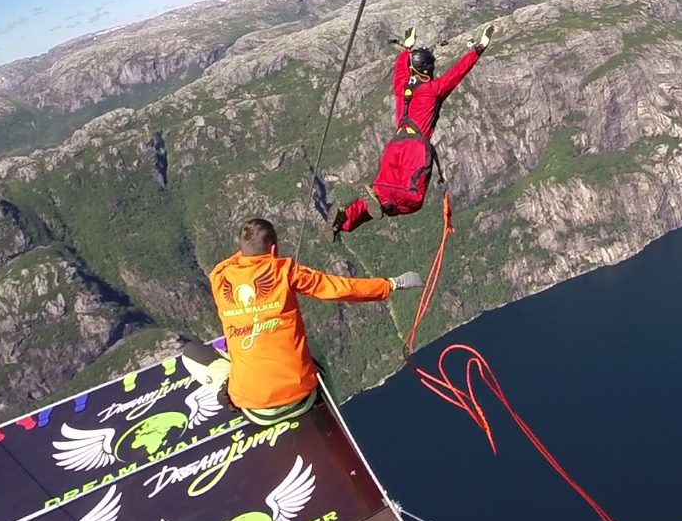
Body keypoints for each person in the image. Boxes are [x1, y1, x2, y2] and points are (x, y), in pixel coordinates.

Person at [182, 217, 422, 425]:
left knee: (191, 352)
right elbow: (341, 288)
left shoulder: (220, 279)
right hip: (301, 399)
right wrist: (392, 283)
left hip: (255, 410)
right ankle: (328, 404)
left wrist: (248, 255)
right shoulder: (284, 271)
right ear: (274, 249)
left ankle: (228, 389)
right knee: (311, 346)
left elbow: (226, 264)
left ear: (241, 250)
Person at [327, 23, 495, 240]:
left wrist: (406, 51)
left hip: (395, 146)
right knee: (411, 199)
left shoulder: (402, 87)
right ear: (428, 69)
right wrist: (477, 51)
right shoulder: (432, 90)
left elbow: (400, 71)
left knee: (383, 195)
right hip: (414, 150)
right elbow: (457, 74)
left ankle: (344, 220)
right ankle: (371, 201)